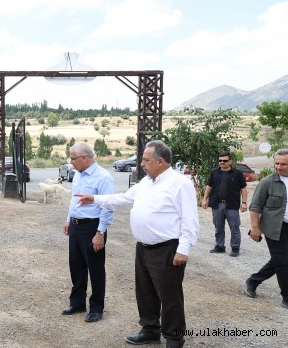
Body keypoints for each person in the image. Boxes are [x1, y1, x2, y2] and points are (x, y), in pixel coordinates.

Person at [75, 140, 199, 348]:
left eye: (145, 159)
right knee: (145, 292)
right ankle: (150, 329)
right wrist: (94, 199)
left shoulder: (180, 183)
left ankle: (174, 338)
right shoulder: (146, 183)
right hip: (143, 248)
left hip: (167, 248)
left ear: (160, 161)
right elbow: (123, 198)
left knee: (170, 297)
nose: (141, 163)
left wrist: (184, 249)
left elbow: (190, 219)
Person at [61, 142, 114, 323]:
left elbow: (108, 207)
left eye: (73, 158)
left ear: (84, 158)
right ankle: (77, 303)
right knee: (76, 266)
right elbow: (74, 200)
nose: (70, 162)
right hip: (76, 227)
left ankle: (96, 308)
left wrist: (100, 232)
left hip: (93, 228)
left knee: (96, 269)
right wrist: (69, 219)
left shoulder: (103, 177)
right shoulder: (78, 174)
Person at [244, 149, 288, 309]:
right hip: (274, 228)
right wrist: (255, 228)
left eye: (283, 164)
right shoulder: (267, 182)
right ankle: (286, 297)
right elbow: (255, 206)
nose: (279, 167)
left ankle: (253, 280)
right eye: (277, 163)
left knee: (280, 259)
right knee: (283, 262)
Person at [201, 152, 248, 257]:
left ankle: (235, 248)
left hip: (232, 205)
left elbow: (243, 188)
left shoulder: (237, 173)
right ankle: (220, 246)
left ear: (230, 161)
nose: (222, 162)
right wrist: (204, 199)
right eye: (220, 160)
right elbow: (209, 186)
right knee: (218, 226)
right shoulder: (214, 172)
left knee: (234, 227)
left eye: (225, 160)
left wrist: (244, 202)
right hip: (217, 205)